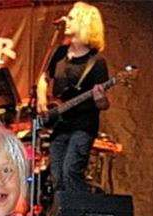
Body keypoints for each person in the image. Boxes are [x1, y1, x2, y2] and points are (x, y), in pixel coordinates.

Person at [36, 2, 109, 199]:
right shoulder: (60, 53)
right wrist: (41, 97)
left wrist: (100, 98)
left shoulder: (96, 61)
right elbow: (44, 78)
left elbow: (103, 105)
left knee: (71, 172)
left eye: (73, 18)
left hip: (83, 125)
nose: (67, 21)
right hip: (60, 124)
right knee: (57, 175)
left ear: (85, 24)